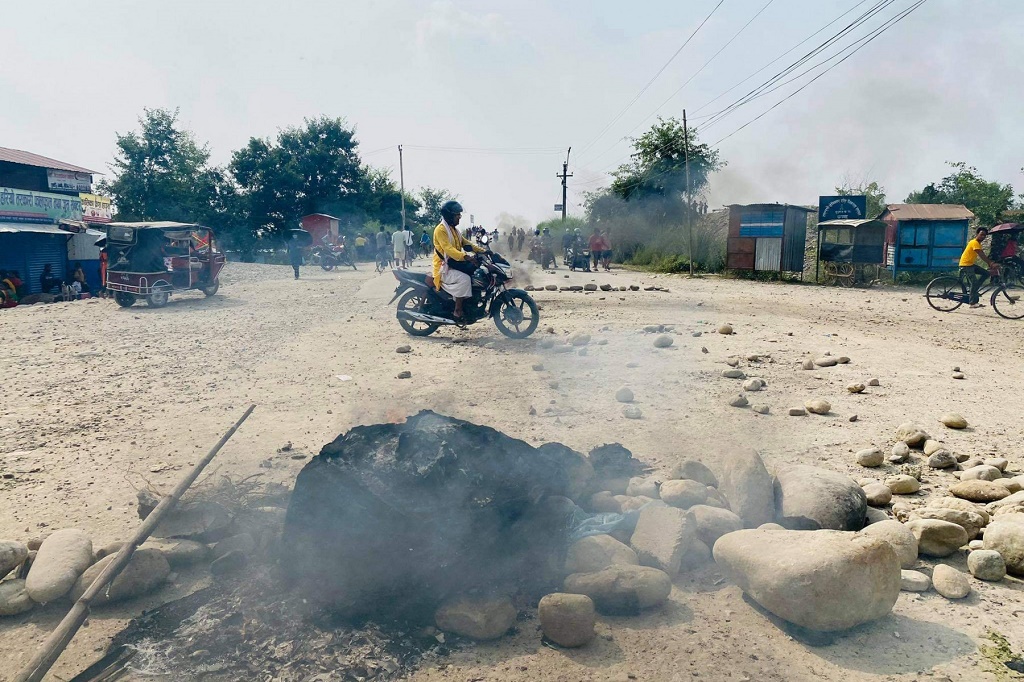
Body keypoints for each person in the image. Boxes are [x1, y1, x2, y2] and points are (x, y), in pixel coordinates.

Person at [432, 200, 486, 321]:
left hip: (454, 264)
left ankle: (470, 303)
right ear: (449, 216)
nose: (459, 217)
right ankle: (457, 310)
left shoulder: (454, 230)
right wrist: (466, 257)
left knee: (475, 275)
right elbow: (448, 249)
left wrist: (483, 251)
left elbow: (466, 243)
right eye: (457, 215)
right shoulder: (441, 230)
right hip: (443, 268)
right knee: (465, 279)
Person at [959, 227, 998, 308]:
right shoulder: (974, 242)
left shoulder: (978, 244)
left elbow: (982, 253)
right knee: (974, 282)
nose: (983, 237)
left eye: (984, 235)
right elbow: (981, 254)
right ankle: (972, 302)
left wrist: (990, 263)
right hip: (965, 265)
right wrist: (990, 263)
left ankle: (975, 290)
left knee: (986, 274)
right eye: (981, 235)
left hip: (970, 264)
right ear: (977, 234)